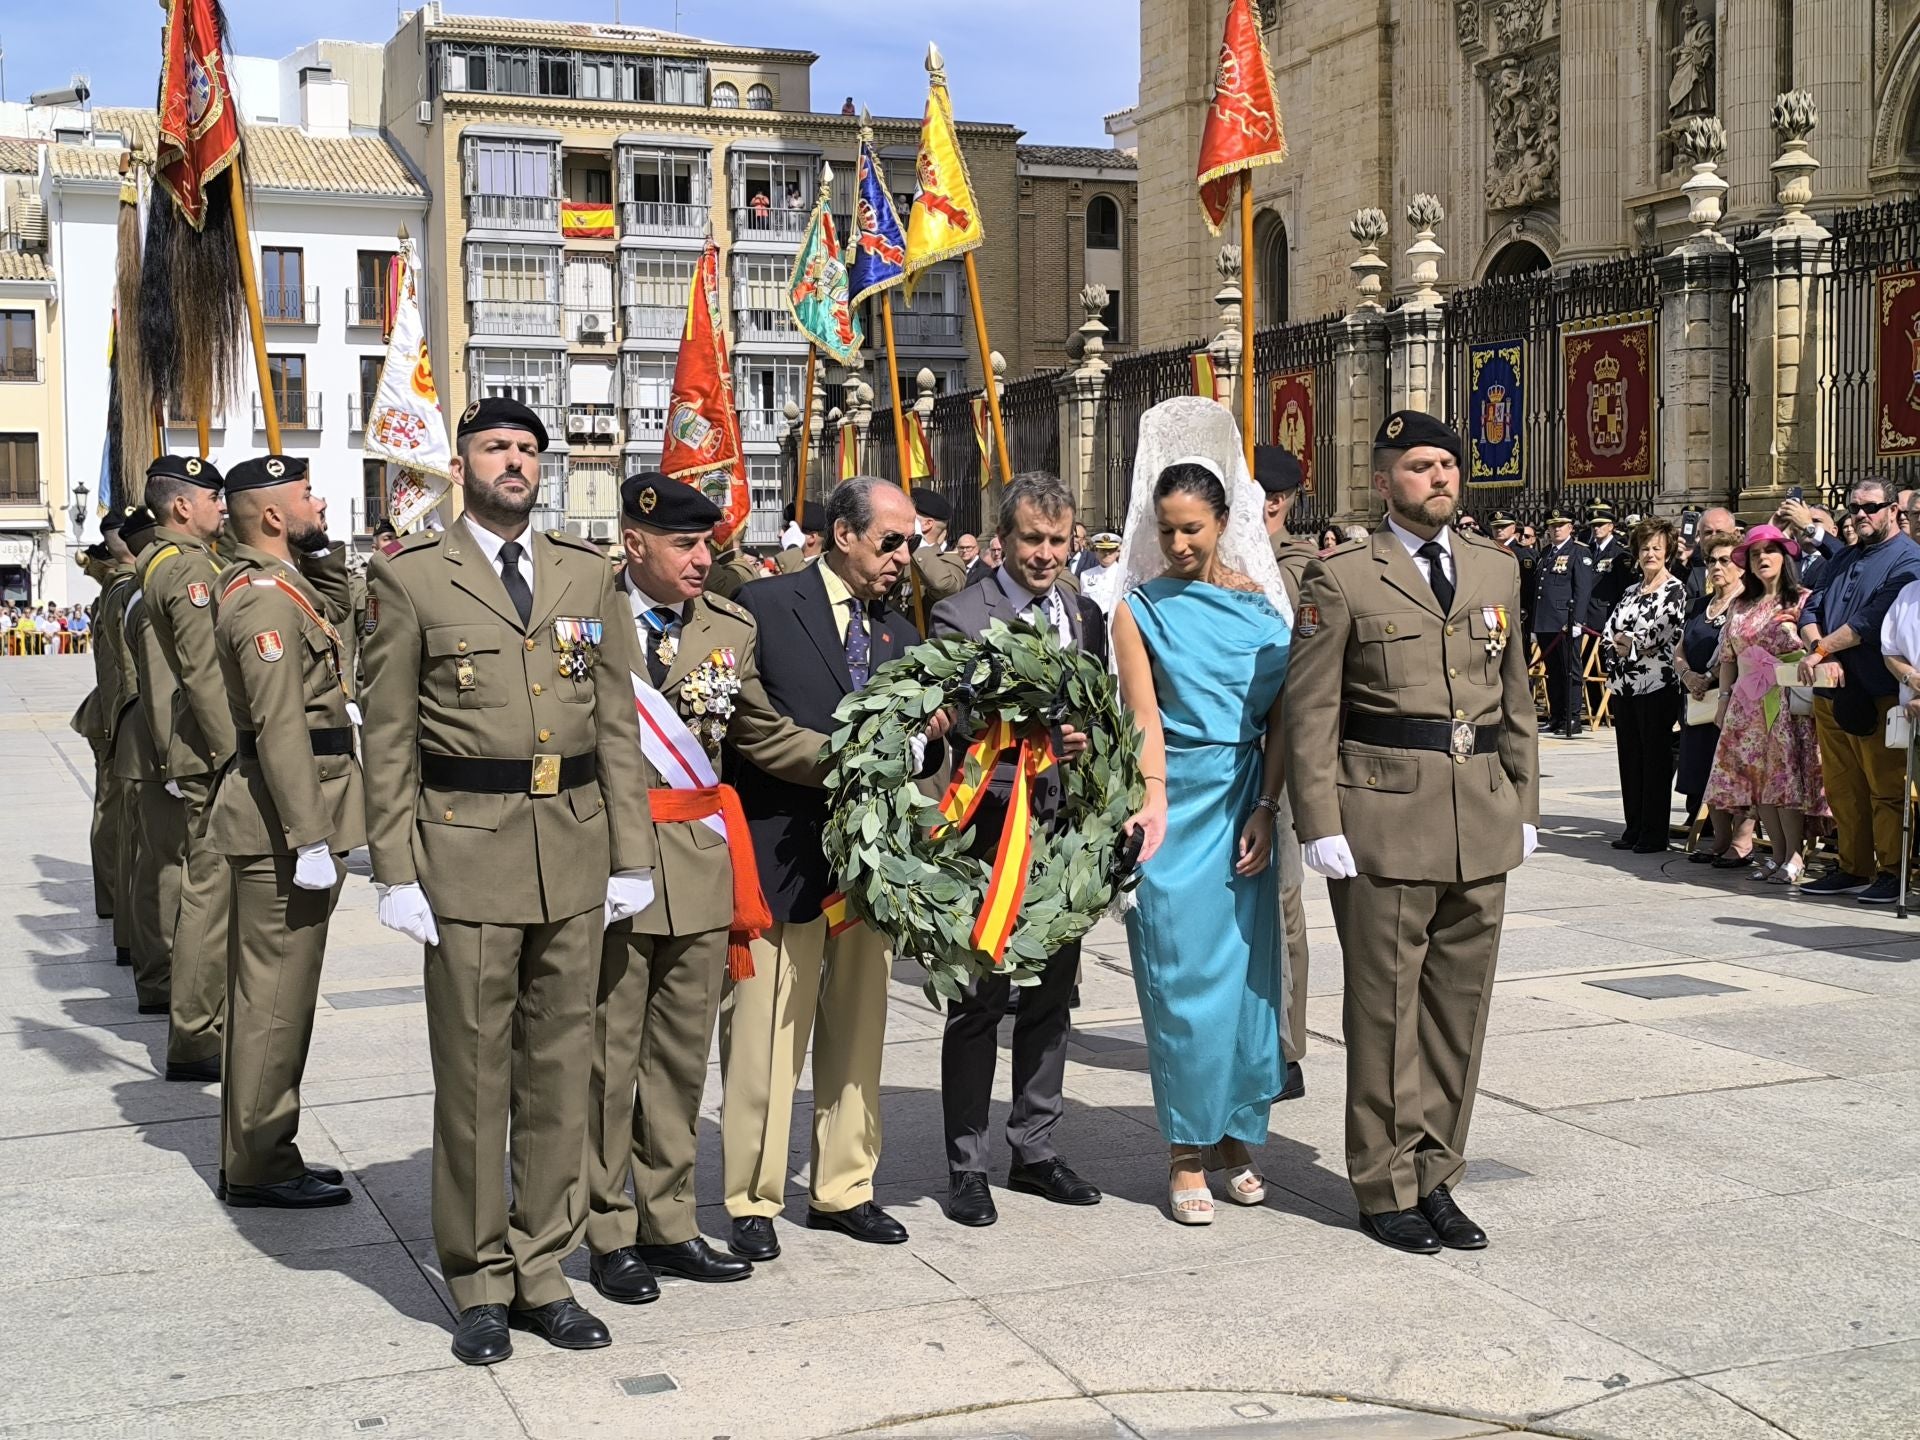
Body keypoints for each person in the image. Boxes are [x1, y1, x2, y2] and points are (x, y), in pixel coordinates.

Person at [360, 397, 659, 1366]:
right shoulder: (411, 581)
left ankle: (543, 1267)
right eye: (498, 448)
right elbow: (390, 740)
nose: (517, 463)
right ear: (462, 465)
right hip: (465, 853)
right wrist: (393, 869)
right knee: (477, 1077)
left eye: (530, 450)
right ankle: (480, 1279)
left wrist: (632, 855)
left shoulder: (584, 573)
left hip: (569, 851)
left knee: (559, 1074)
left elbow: (617, 725)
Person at [1288, 409, 1539, 1256]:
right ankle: (1383, 1183)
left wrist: (1525, 803)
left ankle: (1437, 1174)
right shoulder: (1345, 576)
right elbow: (1313, 709)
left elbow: (1517, 699)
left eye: (1448, 465)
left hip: (1482, 820)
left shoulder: (1495, 568)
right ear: (1383, 478)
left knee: (1458, 1014)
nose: (1440, 478)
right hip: (1384, 818)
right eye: (1421, 466)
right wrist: (1319, 820)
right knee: (1386, 1012)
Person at [581, 473, 828, 1305]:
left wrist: (865, 755)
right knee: (609, 1062)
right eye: (685, 545)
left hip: (696, 865)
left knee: (680, 1061)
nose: (702, 559)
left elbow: (760, 731)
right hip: (609, 864)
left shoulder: (726, 625)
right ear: (635, 544)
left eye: (708, 545)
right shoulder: (584, 616)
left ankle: (670, 1221)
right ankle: (608, 1231)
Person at [721, 476, 944, 1258]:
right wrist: (863, 756)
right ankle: (751, 1198)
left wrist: (930, 743)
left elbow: (928, 741)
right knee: (766, 1035)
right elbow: (749, 728)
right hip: (781, 852)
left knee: (858, 1031)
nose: (903, 557)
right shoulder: (768, 609)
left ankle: (845, 1188)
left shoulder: (900, 637)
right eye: (891, 541)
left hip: (866, 870)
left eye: (912, 543)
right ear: (843, 534)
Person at [1109, 396, 1292, 1226]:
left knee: (1250, 985)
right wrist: (1151, 810)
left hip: (1246, 802)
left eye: (1194, 528)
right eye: (1169, 528)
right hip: (1175, 805)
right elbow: (1142, 716)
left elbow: (1284, 717)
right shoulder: (1136, 608)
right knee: (1180, 981)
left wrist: (1265, 804)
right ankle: (1184, 1149)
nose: (1180, 544)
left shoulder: (1261, 606)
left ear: (1225, 519)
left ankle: (1234, 1138)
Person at [929, 472, 1106, 1228]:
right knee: (979, 1002)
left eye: (1057, 542)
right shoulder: (960, 613)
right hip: (990, 828)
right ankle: (967, 1164)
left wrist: (1082, 742)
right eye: (1031, 539)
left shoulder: (1083, 612)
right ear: (1001, 539)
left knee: (1052, 999)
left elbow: (1101, 707)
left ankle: (1034, 1147)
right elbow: (957, 713)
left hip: (1061, 834)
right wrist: (1025, 734)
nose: (1044, 555)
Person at [205, 456, 364, 1210]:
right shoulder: (262, 600)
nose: (320, 500)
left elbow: (340, 611)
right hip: (280, 824)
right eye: (306, 496)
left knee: (275, 998)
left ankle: (261, 1149)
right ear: (271, 517)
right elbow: (279, 726)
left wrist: (322, 544)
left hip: (293, 815)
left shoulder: (284, 583)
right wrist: (308, 838)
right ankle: (260, 1163)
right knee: (274, 1001)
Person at [140, 454, 235, 1084]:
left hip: (192, 746)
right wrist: (237, 755)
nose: (223, 508)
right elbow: (205, 672)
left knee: (209, 886)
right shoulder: (190, 570)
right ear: (182, 507)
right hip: (212, 751)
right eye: (214, 498)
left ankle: (199, 1023)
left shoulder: (164, 562)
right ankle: (197, 1031)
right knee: (213, 890)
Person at [1796, 480, 1920, 901]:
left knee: (1885, 787)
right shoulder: (1845, 556)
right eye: (1854, 508)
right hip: (1832, 689)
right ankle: (1852, 866)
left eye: (1870, 507)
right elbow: (1810, 607)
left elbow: (1872, 620)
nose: (1860, 515)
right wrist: (1820, 650)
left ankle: (1891, 871)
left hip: (1879, 691)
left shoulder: (1908, 559)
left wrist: (1823, 649)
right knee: (1843, 786)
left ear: (1892, 510)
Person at [1704, 524, 1825, 885]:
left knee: (1784, 780)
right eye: (1755, 554)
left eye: (1769, 551)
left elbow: (1811, 647)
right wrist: (1724, 701)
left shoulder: (1800, 598)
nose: (1762, 559)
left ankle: (1795, 856)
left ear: (1784, 557)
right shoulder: (1741, 603)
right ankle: (1774, 854)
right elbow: (1728, 657)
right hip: (1747, 701)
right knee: (1758, 783)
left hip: (1785, 701)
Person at [1255, 443, 1315, 1102]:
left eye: (1276, 495)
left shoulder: (1294, 567)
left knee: (1281, 901)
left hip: (1283, 748)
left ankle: (1286, 1046)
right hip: (1232, 748)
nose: (1267, 503)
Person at [115, 507, 177, 1016]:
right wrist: (174, 755)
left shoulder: (144, 584)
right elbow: (160, 686)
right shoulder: (153, 589)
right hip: (162, 750)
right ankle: (160, 978)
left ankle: (156, 971)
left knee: (155, 863)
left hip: (154, 747)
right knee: (165, 869)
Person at [1599, 516, 1688, 854]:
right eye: (1645, 548)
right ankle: (1633, 825)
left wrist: (1629, 643)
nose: (1650, 554)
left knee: (1655, 759)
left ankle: (1654, 832)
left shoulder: (1675, 589)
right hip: (1624, 684)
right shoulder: (1629, 591)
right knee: (1630, 758)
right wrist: (1621, 645)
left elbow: (1659, 634)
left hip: (1657, 684)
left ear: (1667, 552)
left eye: (1656, 548)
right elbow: (1609, 632)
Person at [1674, 529, 1747, 863]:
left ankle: (1741, 843)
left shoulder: (1745, 605)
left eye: (1725, 560)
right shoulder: (1700, 604)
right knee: (1705, 771)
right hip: (1698, 700)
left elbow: (1735, 652)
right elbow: (1680, 647)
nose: (1717, 567)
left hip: (1732, 698)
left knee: (1735, 772)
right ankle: (1719, 839)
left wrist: (1709, 677)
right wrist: (1688, 674)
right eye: (1711, 560)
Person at [1532, 506, 1595, 738]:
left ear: (1570, 527)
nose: (1556, 529)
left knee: (1571, 670)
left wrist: (1577, 620)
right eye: (1552, 525)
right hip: (1547, 621)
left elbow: (1583, 589)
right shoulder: (1546, 551)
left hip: (1566, 621)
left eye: (1561, 525)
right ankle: (1556, 715)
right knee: (1553, 672)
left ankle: (1572, 717)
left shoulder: (1579, 552)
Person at [909, 488, 969, 603]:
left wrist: (917, 541)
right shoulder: (901, 556)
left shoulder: (951, 562)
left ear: (926, 524)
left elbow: (945, 586)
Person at [775, 500, 826, 574]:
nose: (780, 534)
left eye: (787, 529)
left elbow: (800, 581)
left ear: (811, 537)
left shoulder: (822, 570)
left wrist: (792, 548)